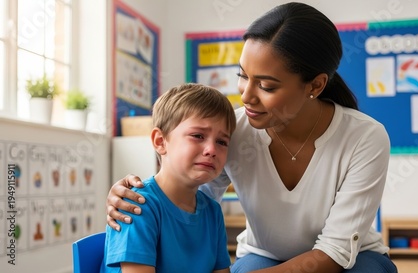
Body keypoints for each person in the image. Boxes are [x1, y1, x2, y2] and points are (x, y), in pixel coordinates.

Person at [106, 2, 398, 273]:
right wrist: (134, 195)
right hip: (263, 254)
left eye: (267, 86)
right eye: (243, 75)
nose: (245, 96)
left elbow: (334, 250)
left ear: (316, 85)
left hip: (352, 259)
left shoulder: (364, 137)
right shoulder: (230, 131)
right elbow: (191, 195)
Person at [100, 83, 236, 273]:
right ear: (160, 141)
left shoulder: (212, 211)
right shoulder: (136, 206)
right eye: (198, 135)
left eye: (222, 142)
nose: (212, 150)